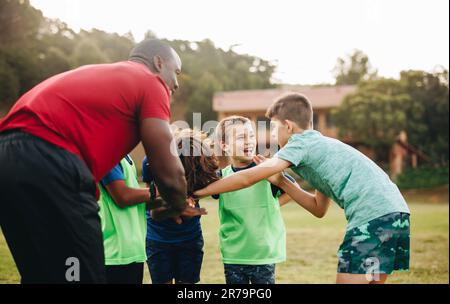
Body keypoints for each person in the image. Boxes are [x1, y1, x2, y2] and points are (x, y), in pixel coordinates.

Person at [0, 39, 192, 283]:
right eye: (176, 72)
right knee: (83, 275)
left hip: (7, 159)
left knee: (46, 274)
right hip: (49, 158)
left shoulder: (104, 76)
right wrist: (175, 204)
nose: (175, 83)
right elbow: (169, 172)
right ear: (158, 62)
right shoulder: (149, 81)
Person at [194, 93, 411, 284]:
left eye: (273, 129)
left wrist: (197, 192)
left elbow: (246, 179)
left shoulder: (300, 143)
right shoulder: (321, 151)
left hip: (371, 216)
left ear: (288, 126)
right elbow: (318, 209)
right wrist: (282, 182)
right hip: (395, 213)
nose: (271, 136)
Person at [211, 116, 295, 284]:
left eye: (251, 136)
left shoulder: (266, 172)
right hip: (233, 255)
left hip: (263, 254)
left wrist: (273, 205)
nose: (249, 141)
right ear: (224, 145)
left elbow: (292, 191)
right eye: (242, 137)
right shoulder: (220, 178)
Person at [144, 129, 218, 284]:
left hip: (190, 238)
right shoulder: (151, 162)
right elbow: (152, 204)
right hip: (158, 238)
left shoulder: (201, 163)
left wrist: (192, 197)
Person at [98, 155, 149, 284]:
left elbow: (137, 200)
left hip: (131, 249)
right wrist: (157, 191)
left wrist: (174, 202)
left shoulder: (125, 156)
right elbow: (122, 197)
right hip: (115, 252)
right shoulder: (107, 154)